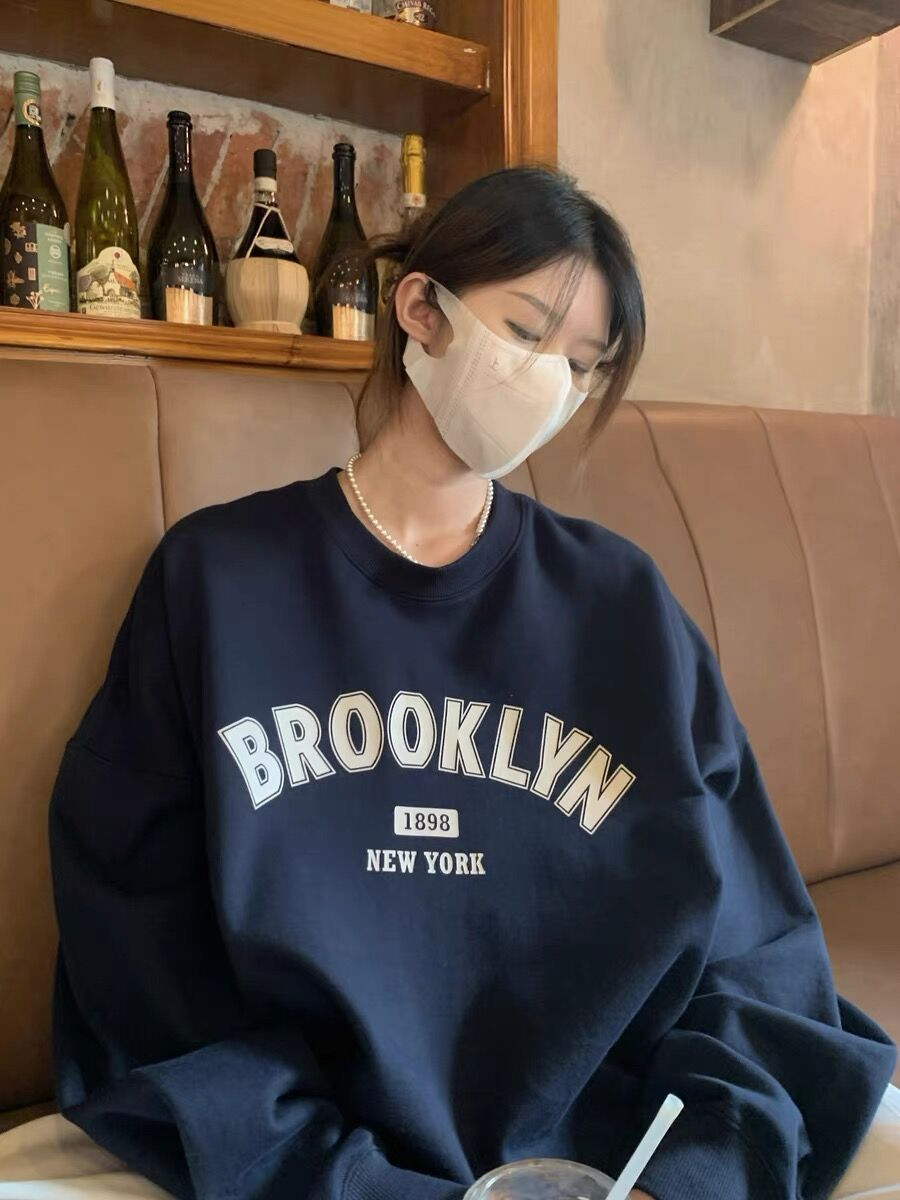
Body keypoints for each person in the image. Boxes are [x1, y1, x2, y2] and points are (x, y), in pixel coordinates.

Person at [35, 165, 898, 1200]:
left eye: (581, 365)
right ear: (421, 309)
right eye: (528, 333)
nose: (550, 384)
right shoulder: (217, 580)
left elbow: (753, 942)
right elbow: (136, 936)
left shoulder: (620, 604)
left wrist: (691, 1173)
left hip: (604, 1164)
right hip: (311, 1161)